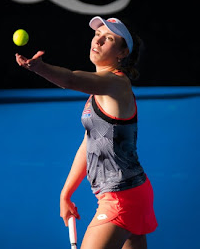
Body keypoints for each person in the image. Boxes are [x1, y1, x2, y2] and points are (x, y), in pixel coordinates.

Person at [15, 16, 157, 249]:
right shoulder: (98, 91)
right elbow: (89, 144)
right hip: (132, 192)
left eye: (108, 38)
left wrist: (40, 69)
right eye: (97, 34)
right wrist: (66, 193)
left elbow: (70, 79)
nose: (98, 41)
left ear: (122, 53)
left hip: (122, 198)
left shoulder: (116, 84)